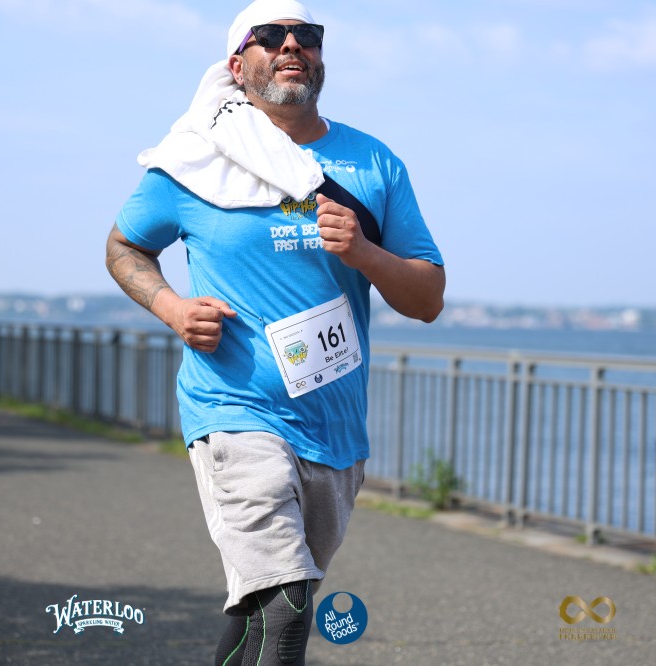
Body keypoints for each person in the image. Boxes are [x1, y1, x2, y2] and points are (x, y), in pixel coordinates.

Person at [105, 1, 444, 663]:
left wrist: (365, 254)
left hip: (334, 429)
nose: (292, 45)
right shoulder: (194, 160)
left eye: (307, 36)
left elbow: (427, 298)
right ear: (238, 66)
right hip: (235, 412)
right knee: (287, 604)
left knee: (262, 611)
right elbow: (124, 246)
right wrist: (172, 308)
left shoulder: (372, 163)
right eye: (270, 36)